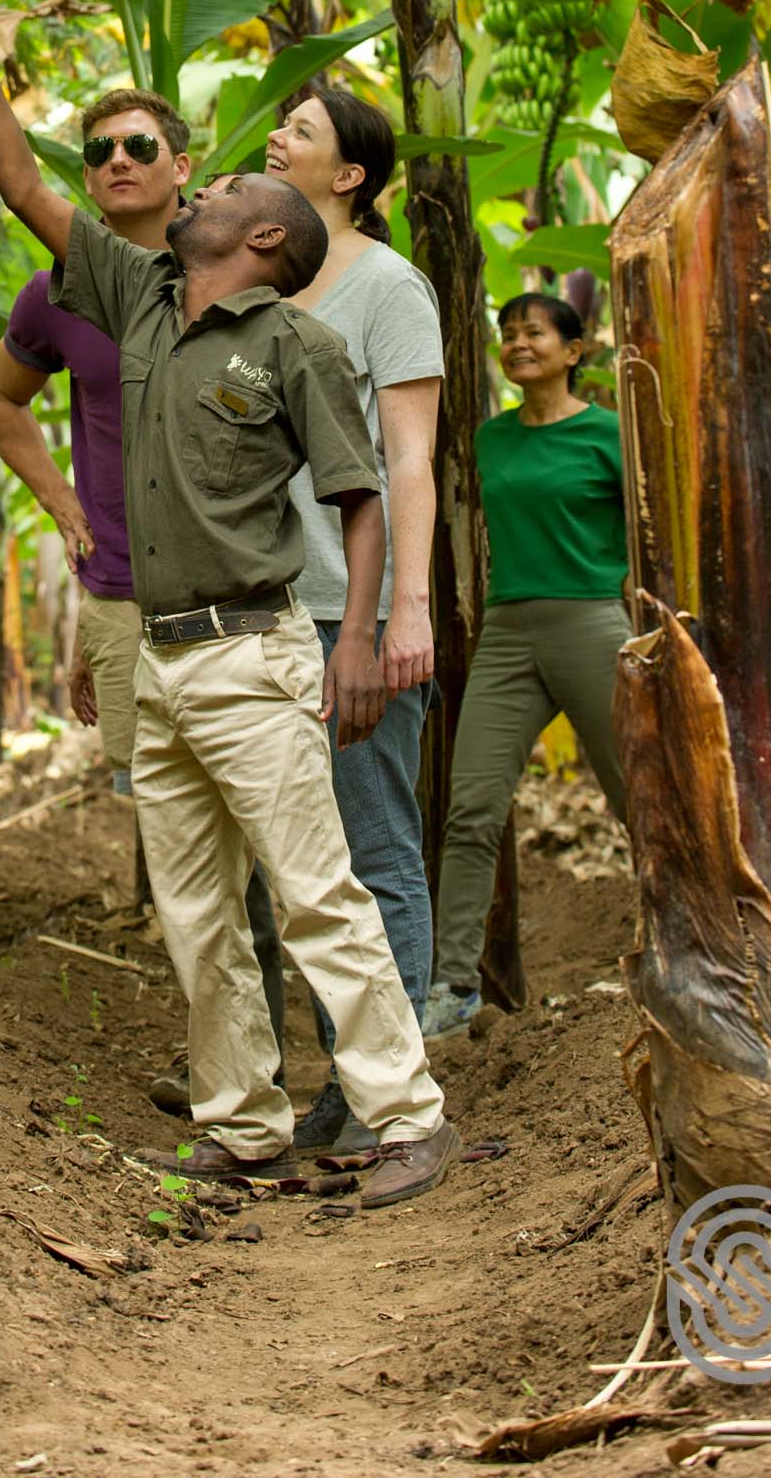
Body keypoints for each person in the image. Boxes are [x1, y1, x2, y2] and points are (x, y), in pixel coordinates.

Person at [0, 0, 457, 1206]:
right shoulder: (140, 297)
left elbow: (361, 497)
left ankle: (406, 1113)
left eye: (226, 191)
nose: (203, 188)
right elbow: (20, 181)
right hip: (161, 655)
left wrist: (356, 638)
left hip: (254, 650)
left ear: (266, 238)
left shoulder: (295, 347)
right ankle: (244, 1120)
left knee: (316, 890)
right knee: (199, 908)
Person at [0, 88, 287, 1075]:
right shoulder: (60, 292)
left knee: (272, 840)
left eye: (140, 145)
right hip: (122, 597)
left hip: (236, 595)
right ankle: (237, 1067)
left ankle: (299, 1060)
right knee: (185, 848)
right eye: (100, 148)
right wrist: (65, 507)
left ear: (181, 167)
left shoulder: (239, 279)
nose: (118, 159)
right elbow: (1, 401)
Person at [265, 86, 442, 1154]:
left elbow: (410, 458)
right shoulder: (261, 280)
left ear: (347, 177)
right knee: (309, 869)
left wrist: (401, 614)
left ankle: (393, 1091)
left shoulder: (387, 285)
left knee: (375, 850)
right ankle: (349, 1076)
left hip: (351, 612)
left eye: (302, 129)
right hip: (270, 616)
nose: (276, 134)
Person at [423, 292, 631, 1038]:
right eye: (507, 333)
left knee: (638, 799)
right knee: (472, 808)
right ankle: (452, 987)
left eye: (534, 333)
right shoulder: (491, 439)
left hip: (591, 624)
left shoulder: (611, 434)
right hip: (508, 632)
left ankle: (685, 949)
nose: (517, 343)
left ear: (573, 351)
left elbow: (650, 533)